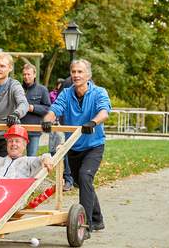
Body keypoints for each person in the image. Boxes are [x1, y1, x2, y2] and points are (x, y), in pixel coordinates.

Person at [41, 59, 111, 232]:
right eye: (73, 72)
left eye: (80, 72)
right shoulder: (66, 93)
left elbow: (104, 111)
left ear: (88, 75)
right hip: (73, 146)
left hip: (93, 146)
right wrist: (47, 121)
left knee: (85, 177)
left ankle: (84, 226)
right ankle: (97, 219)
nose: (76, 75)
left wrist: (92, 123)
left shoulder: (99, 92)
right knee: (82, 182)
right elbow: (55, 109)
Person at [48, 78, 74, 191]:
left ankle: (71, 179)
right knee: (61, 151)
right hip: (63, 124)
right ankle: (66, 179)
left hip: (75, 127)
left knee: (70, 153)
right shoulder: (67, 85)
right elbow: (57, 105)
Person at [20, 63, 51, 157]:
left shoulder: (42, 90)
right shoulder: (18, 89)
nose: (26, 77)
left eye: (28, 74)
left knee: (31, 158)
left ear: (34, 75)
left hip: (34, 131)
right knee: (16, 158)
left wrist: (32, 108)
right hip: (18, 130)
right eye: (24, 74)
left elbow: (47, 108)